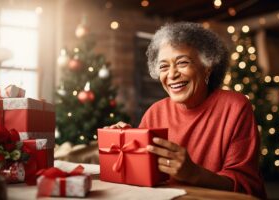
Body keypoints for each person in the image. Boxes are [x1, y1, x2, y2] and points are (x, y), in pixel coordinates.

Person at [107, 22, 266, 199]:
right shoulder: (155, 112)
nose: (172, 74)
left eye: (182, 63)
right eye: (163, 66)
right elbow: (143, 179)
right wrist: (125, 149)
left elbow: (246, 188)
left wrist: (193, 173)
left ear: (207, 68)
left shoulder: (234, 106)